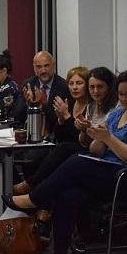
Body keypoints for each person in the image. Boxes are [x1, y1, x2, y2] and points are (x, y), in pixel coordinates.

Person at [4, 70, 127, 254]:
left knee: (76, 161)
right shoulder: (117, 114)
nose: (124, 98)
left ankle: (35, 198)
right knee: (67, 192)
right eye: (121, 94)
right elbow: (96, 150)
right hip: (108, 172)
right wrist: (91, 134)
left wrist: (109, 139)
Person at [15, 66, 93, 195]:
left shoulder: (91, 106)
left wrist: (66, 117)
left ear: (87, 85)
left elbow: (79, 139)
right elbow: (60, 136)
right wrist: (61, 121)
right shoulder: (71, 102)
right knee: (35, 157)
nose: (74, 87)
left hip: (82, 151)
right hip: (65, 148)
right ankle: (39, 202)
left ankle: (31, 188)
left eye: (79, 83)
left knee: (60, 152)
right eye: (71, 83)